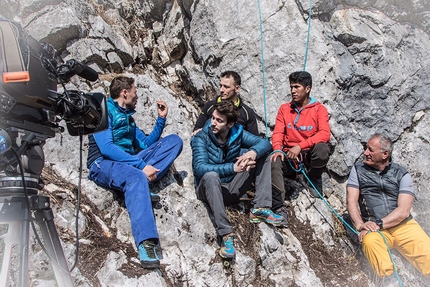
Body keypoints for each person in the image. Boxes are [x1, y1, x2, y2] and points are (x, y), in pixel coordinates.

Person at [86, 76, 183, 269]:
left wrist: (161, 120)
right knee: (137, 175)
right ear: (125, 93)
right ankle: (146, 243)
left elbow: (147, 144)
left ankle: (141, 183)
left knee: (174, 141)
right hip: (103, 164)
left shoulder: (128, 119)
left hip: (129, 165)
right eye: (135, 91)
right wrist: (139, 166)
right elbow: (106, 147)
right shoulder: (103, 111)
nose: (136, 95)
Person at [191, 100, 285, 259]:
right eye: (213, 118)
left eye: (219, 121)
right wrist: (232, 168)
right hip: (207, 189)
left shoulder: (237, 132)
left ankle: (260, 208)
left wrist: (253, 152)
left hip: (230, 188)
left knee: (264, 155)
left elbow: (264, 143)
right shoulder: (201, 137)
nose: (213, 123)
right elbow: (200, 168)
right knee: (211, 175)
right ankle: (226, 234)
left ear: (230, 124)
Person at [346, 133, 430, 281]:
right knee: (370, 242)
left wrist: (379, 224)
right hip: (374, 228)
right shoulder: (358, 170)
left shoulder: (401, 173)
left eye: (370, 150)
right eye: (366, 148)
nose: (365, 153)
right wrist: (360, 225)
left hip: (403, 226)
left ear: (385, 154)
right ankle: (389, 281)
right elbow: (351, 201)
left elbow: (404, 211)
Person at [270, 71, 331, 221]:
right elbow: (278, 132)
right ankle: (278, 205)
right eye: (291, 87)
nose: (293, 91)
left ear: (307, 88)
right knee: (274, 160)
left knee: (322, 149)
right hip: (289, 156)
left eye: (297, 87)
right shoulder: (285, 109)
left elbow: (324, 134)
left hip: (307, 155)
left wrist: (300, 146)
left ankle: (313, 177)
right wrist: (277, 148)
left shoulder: (318, 109)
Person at [192, 70, 259, 136]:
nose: (221, 90)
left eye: (226, 87)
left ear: (237, 88)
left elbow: (255, 140)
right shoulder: (210, 106)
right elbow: (196, 131)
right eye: (220, 86)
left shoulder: (247, 112)